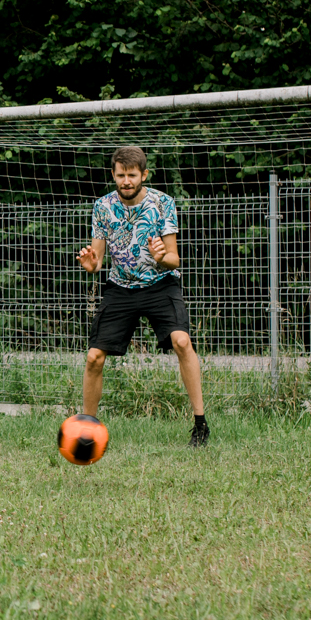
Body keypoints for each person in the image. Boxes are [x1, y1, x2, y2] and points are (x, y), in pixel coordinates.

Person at [76, 146, 209, 447]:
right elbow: (96, 260)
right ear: (113, 175)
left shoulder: (163, 203)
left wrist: (161, 256)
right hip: (121, 287)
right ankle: (87, 431)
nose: (126, 181)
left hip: (160, 284)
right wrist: (91, 265)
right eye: (120, 175)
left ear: (143, 175)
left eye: (132, 175)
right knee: (94, 357)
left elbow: (174, 259)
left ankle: (200, 424)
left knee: (182, 341)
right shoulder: (102, 207)